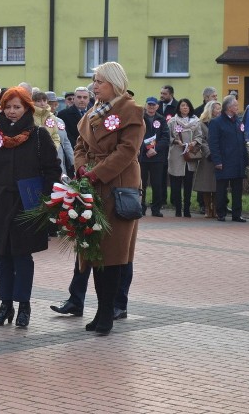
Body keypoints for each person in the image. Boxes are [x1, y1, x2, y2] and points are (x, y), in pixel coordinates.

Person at [0, 87, 59, 328]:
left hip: (27, 204)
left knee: (22, 257)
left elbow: (52, 169)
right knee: (1, 256)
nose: (12, 112)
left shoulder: (39, 136)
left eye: (17, 107)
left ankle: (24, 305)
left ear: (27, 108)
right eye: (7, 107)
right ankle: (5, 304)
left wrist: (47, 200)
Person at [72, 61, 145, 335]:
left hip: (117, 188)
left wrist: (96, 173)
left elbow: (127, 151)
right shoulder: (92, 112)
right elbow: (80, 144)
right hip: (92, 186)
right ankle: (101, 311)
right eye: (93, 80)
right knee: (94, 252)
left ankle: (108, 312)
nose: (94, 85)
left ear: (114, 82)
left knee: (112, 255)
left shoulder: (130, 110)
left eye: (99, 81)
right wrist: (81, 167)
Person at [208, 95, 249, 222]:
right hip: (224, 161)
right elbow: (213, 143)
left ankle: (237, 214)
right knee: (222, 188)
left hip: (238, 161)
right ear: (229, 108)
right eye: (236, 105)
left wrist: (245, 159)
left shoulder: (238, 121)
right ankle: (221, 213)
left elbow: (242, 141)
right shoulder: (216, 122)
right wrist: (217, 161)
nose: (238, 108)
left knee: (237, 189)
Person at [167, 98, 198, 217]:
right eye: (183, 105)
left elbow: (199, 136)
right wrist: (175, 141)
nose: (185, 107)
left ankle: (187, 209)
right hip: (176, 155)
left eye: (187, 106)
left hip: (189, 156)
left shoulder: (196, 121)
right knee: (176, 183)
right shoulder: (172, 121)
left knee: (188, 183)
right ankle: (178, 209)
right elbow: (167, 136)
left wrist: (194, 143)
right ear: (179, 107)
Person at [140, 96, 169, 217]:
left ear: (157, 106)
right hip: (143, 156)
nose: (151, 107)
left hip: (157, 157)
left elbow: (166, 137)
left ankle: (156, 208)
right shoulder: (140, 118)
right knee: (142, 184)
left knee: (157, 183)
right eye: (149, 105)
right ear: (146, 105)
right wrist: (145, 148)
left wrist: (155, 149)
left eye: (153, 105)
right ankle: (141, 207)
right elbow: (137, 136)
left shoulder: (161, 119)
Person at [192, 100, 221, 218]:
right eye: (217, 109)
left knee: (217, 185)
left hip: (219, 157)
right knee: (206, 185)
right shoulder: (202, 123)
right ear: (210, 110)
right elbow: (202, 140)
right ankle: (207, 208)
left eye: (220, 108)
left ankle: (215, 209)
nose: (219, 111)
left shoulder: (221, 122)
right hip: (207, 158)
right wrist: (209, 153)